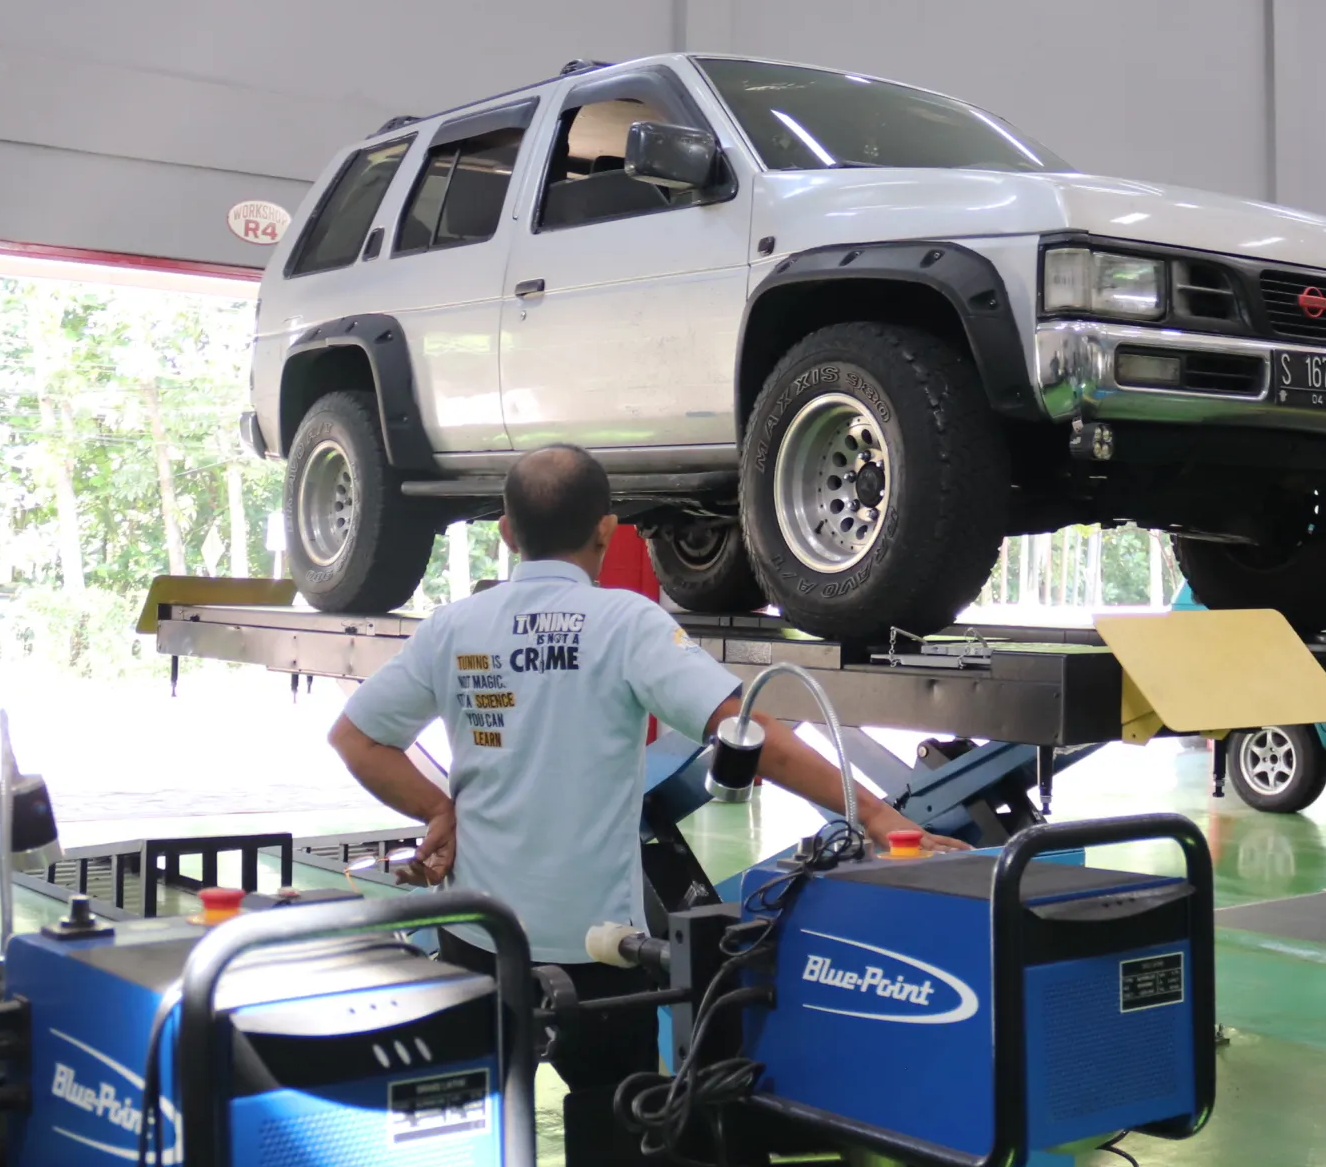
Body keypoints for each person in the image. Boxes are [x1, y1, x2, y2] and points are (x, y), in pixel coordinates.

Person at [329, 444, 960, 1121]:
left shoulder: (453, 628)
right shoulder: (627, 625)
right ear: (607, 529)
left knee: (472, 1135)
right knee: (623, 1144)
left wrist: (437, 808)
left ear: (507, 532)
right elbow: (747, 734)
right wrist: (875, 815)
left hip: (481, 941)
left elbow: (356, 738)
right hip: (599, 951)